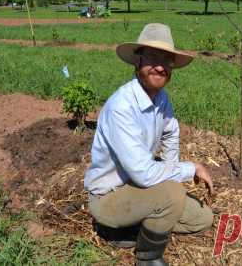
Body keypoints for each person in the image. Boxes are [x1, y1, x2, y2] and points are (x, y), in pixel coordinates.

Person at [84, 23, 214, 266]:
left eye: (166, 60)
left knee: (202, 218)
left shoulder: (161, 99)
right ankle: (146, 255)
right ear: (137, 61)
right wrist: (190, 169)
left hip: (138, 187)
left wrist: (170, 171)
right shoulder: (122, 107)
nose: (160, 66)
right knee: (173, 194)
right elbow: (144, 174)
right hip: (109, 196)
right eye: (153, 57)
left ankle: (140, 221)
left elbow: (170, 131)